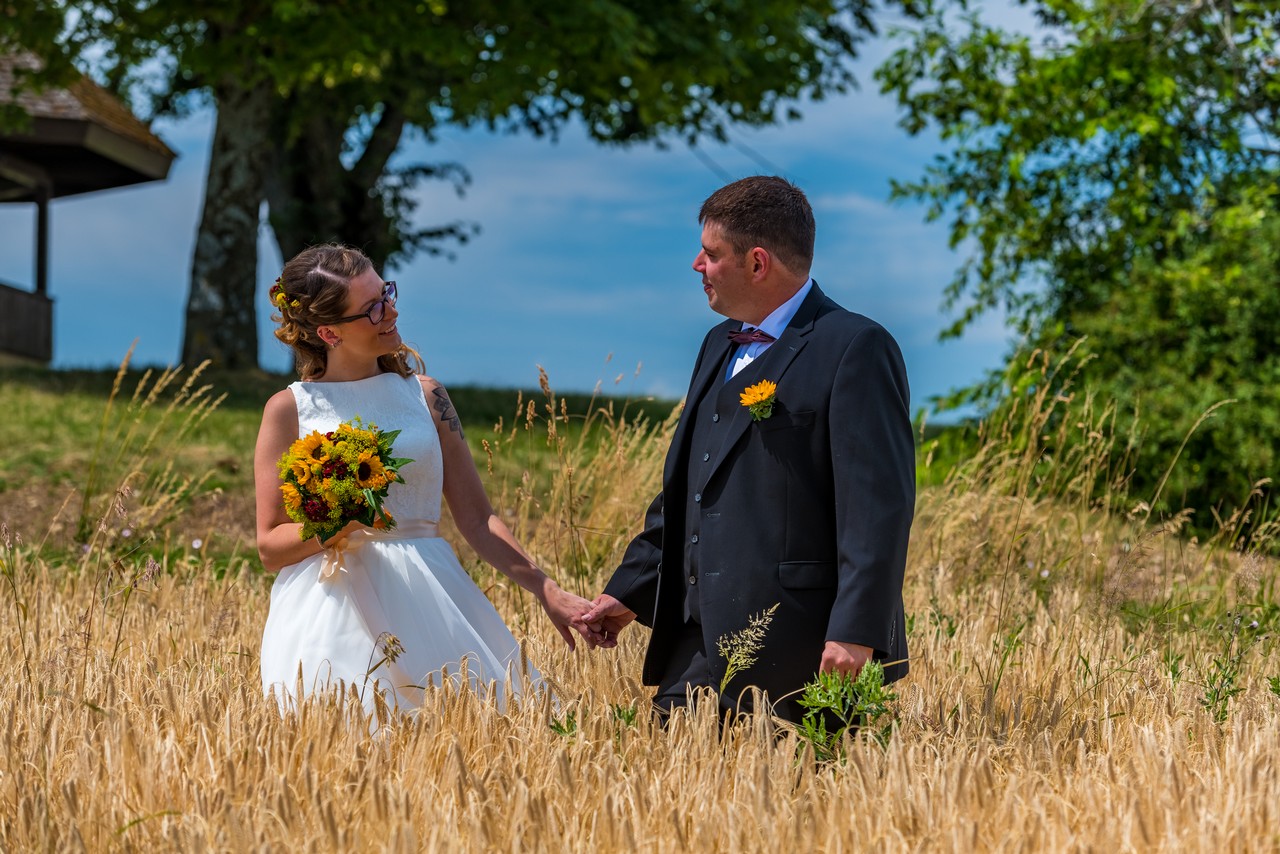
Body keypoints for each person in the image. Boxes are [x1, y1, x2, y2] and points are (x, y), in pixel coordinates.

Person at [577, 176, 915, 723]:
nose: (697, 265)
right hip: (694, 646)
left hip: (802, 651)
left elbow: (877, 508)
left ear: (758, 263)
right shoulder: (717, 344)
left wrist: (856, 630)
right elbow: (689, 491)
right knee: (671, 773)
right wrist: (633, 590)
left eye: (711, 254)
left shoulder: (854, 346)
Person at [257, 244, 591, 716]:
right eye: (372, 308)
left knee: (472, 728)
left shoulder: (427, 397)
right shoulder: (289, 409)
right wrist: (343, 519)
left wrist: (546, 589)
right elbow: (270, 545)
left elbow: (478, 520)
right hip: (329, 609)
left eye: (387, 294)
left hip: (430, 593)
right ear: (329, 332)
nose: (391, 311)